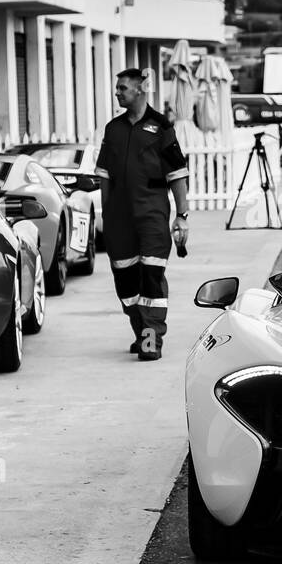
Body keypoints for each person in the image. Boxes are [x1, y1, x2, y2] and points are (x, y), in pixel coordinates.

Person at [95, 69, 190, 362]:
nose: (117, 92)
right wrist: (106, 215)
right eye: (117, 88)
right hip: (118, 219)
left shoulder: (162, 127)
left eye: (122, 88)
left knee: (151, 276)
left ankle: (151, 339)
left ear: (140, 89)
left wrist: (182, 215)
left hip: (151, 215)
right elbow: (104, 176)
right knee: (125, 281)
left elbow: (177, 174)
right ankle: (141, 333)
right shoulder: (113, 129)